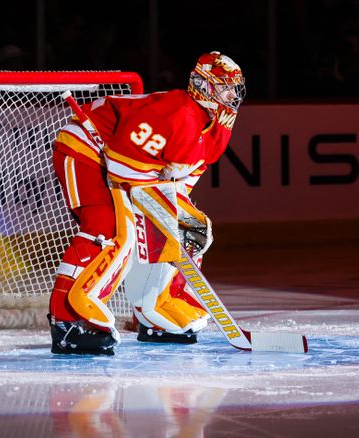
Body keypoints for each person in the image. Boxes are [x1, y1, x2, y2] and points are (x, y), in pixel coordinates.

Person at [48, 51, 246, 355]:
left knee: (175, 229)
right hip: (87, 150)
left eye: (235, 87)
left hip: (124, 166)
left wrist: (181, 215)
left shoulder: (216, 130)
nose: (232, 95)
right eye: (224, 86)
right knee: (108, 227)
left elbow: (174, 186)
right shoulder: (176, 113)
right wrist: (171, 208)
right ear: (203, 85)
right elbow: (124, 171)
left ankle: (155, 312)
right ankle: (68, 319)